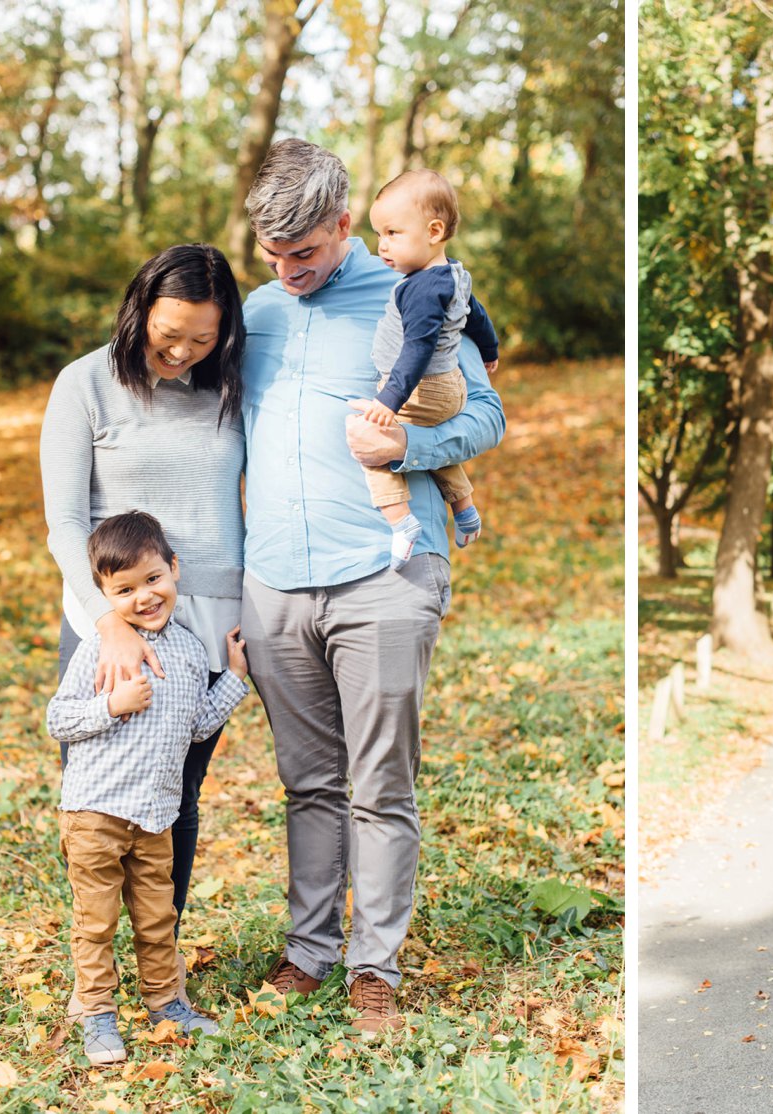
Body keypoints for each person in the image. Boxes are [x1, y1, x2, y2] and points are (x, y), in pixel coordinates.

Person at [237, 138, 505, 1038]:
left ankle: (373, 967)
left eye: (304, 253)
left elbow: (485, 413)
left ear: (345, 225)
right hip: (274, 582)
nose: (289, 271)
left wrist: (408, 450)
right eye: (273, 257)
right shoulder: (258, 312)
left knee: (378, 783)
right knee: (307, 781)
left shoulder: (412, 297)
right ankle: (309, 948)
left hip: (384, 576)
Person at [40, 242, 247, 1015]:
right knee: (103, 794)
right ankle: (98, 973)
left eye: (203, 338)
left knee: (177, 792)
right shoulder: (85, 385)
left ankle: (161, 970)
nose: (183, 351)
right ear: (138, 312)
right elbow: (64, 524)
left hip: (208, 616)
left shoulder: (226, 387)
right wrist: (108, 626)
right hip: (111, 620)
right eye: (170, 334)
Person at [47, 512, 248, 1064]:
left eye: (153, 579)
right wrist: (112, 706)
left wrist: (233, 675)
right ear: (105, 594)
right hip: (96, 816)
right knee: (97, 921)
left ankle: (166, 1002)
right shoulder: (99, 648)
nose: (144, 597)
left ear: (174, 569)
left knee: (159, 918)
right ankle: (96, 1014)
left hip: (156, 816)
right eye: (125, 589)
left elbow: (200, 724)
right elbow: (59, 720)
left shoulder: (187, 650)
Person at [351, 168, 500, 570]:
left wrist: (388, 399)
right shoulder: (451, 275)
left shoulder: (420, 289)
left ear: (434, 231)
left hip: (423, 388)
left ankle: (401, 524)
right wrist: (490, 349)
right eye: (379, 234)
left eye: (392, 234)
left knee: (369, 443)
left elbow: (416, 347)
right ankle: (465, 509)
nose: (381, 245)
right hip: (448, 388)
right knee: (425, 444)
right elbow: (476, 314)